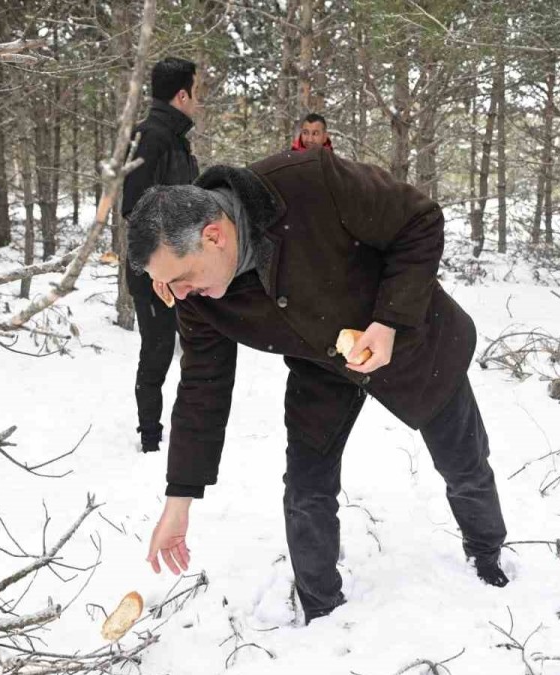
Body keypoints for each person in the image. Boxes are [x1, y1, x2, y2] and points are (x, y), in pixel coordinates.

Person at [126, 147, 510, 624]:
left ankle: (487, 556)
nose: (177, 295)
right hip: (320, 366)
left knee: (463, 463)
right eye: (167, 285)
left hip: (412, 342)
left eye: (180, 279)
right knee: (306, 490)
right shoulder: (198, 296)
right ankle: (321, 610)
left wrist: (389, 322)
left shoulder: (310, 182)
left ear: (214, 235)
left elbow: (419, 221)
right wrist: (178, 500)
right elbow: (202, 388)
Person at [120, 57, 203, 454]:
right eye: (196, 92)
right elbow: (133, 208)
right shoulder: (149, 137)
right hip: (154, 271)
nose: (198, 101)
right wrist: (158, 267)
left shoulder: (178, 140)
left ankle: (190, 429)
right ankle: (150, 439)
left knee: (198, 350)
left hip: (186, 271)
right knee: (156, 353)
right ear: (182, 94)